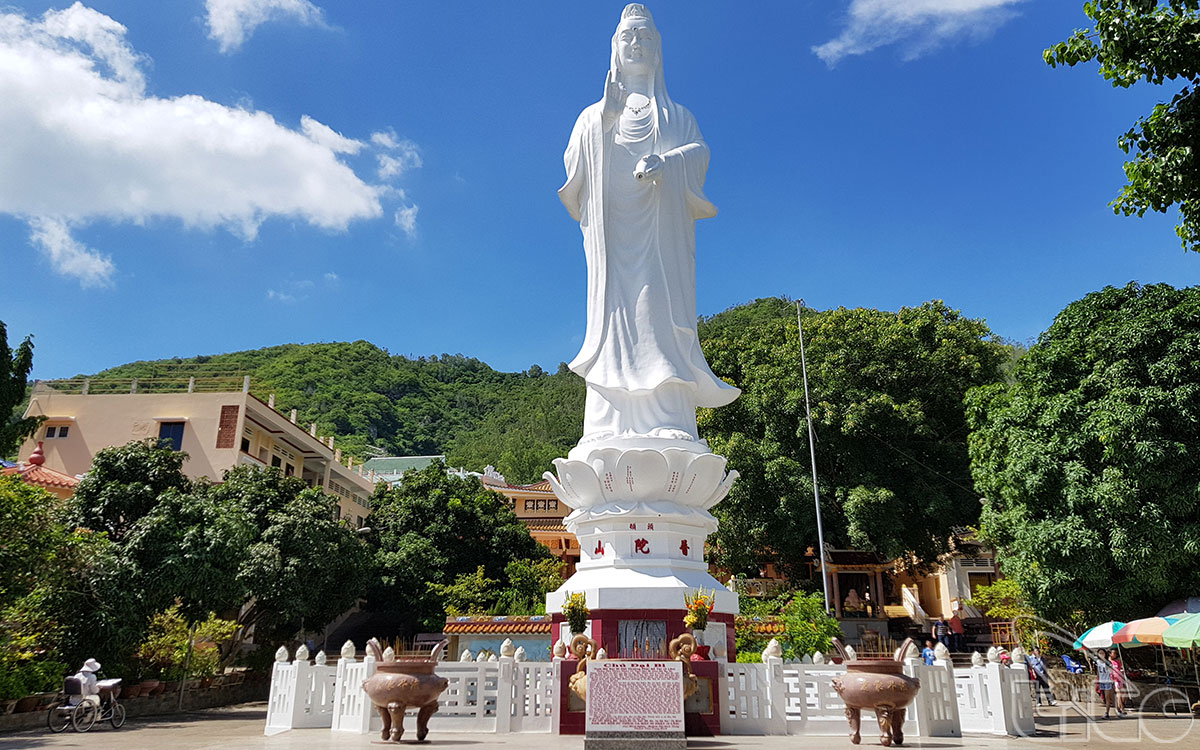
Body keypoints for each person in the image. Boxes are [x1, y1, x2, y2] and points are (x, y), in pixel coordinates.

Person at [559, 3, 739, 443]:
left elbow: (699, 153)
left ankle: (668, 417)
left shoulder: (677, 115)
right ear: (615, 50)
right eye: (628, 37)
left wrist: (669, 162)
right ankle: (608, 422)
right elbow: (574, 171)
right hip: (613, 240)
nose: (636, 44)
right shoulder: (591, 115)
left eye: (645, 37)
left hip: (661, 239)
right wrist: (605, 117)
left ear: (658, 49)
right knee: (614, 320)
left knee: (658, 321)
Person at [1094, 649, 1115, 719]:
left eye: (1102, 653)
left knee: (1107, 697)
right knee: (1107, 697)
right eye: (1100, 653)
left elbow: (1111, 672)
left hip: (1108, 681)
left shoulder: (1108, 663)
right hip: (1101, 681)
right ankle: (1118, 708)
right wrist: (1097, 681)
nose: (1101, 655)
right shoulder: (1098, 662)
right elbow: (1098, 672)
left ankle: (1107, 712)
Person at [1110, 651, 1128, 716]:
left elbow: (1120, 668)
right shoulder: (1109, 662)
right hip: (1115, 680)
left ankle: (1119, 707)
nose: (1114, 655)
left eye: (1115, 653)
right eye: (1113, 653)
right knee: (1119, 693)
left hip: (1120, 679)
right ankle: (1121, 708)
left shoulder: (1117, 661)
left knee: (1124, 693)